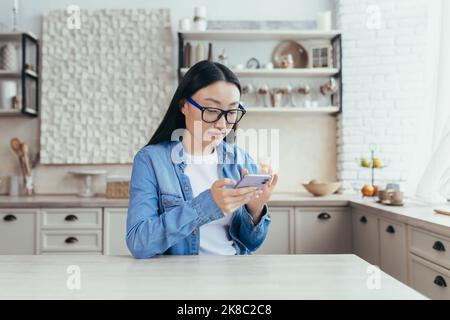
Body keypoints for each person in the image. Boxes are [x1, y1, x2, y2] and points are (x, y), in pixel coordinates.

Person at [126, 60, 278, 259]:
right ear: (184, 106)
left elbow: (251, 244)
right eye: (212, 110)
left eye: (232, 112)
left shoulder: (241, 160)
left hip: (235, 277)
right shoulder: (151, 161)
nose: (223, 124)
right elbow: (139, 243)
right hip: (181, 281)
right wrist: (208, 204)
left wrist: (255, 210)